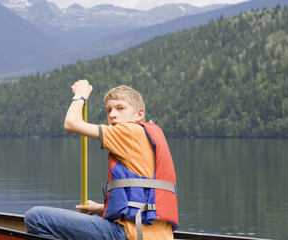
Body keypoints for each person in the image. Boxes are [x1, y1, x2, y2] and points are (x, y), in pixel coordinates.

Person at [25, 80, 178, 240]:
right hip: (156, 235)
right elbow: (144, 198)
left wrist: (80, 96)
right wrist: (102, 208)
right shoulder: (147, 135)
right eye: (109, 110)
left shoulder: (129, 132)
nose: (112, 114)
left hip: (131, 235)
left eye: (120, 108)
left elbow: (71, 124)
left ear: (139, 114)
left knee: (36, 218)